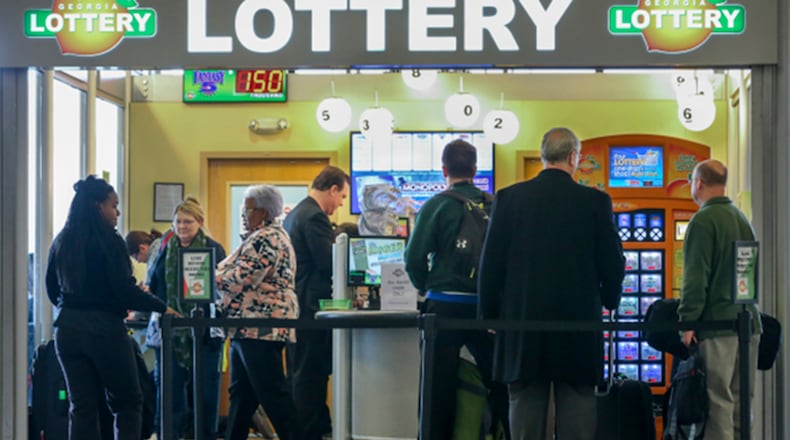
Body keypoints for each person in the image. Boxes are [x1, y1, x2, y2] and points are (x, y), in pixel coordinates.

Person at [477, 128, 625, 440]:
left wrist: (489, 314)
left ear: (544, 156)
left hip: (522, 326)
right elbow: (613, 262)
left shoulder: (509, 199)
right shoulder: (595, 202)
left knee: (525, 415)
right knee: (578, 415)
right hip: (579, 327)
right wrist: (610, 299)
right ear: (574, 157)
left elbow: (490, 264)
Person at [45, 175, 179, 440]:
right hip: (105, 330)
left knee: (81, 407)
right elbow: (124, 290)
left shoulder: (62, 240)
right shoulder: (109, 240)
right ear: (98, 206)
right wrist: (162, 307)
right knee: (127, 402)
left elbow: (51, 288)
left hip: (68, 331)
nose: (117, 213)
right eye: (114, 206)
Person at [404, 138, 509, 440]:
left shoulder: (436, 205)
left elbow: (413, 257)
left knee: (437, 387)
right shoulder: (495, 205)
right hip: (487, 308)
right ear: (476, 169)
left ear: (444, 170)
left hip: (444, 307)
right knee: (498, 380)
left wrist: (426, 287)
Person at [678, 159, 762, 440]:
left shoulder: (703, 220)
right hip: (748, 325)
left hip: (717, 327)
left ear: (698, 182)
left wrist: (688, 321)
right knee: (741, 403)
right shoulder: (741, 219)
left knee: (718, 403)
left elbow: (695, 277)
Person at [216, 185, 300, 440]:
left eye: (248, 208)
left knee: (273, 393)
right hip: (248, 326)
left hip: (261, 326)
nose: (243, 213)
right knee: (241, 395)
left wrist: (211, 276)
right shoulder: (266, 236)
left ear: (263, 212)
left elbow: (244, 277)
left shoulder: (266, 237)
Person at [148, 196, 227, 440]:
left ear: (199, 222)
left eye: (188, 222)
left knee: (206, 390)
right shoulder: (165, 249)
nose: (182, 227)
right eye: (178, 222)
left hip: (205, 330)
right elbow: (155, 283)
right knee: (170, 390)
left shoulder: (214, 249)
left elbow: (221, 289)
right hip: (171, 330)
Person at [283, 165, 350, 440]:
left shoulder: (297, 213)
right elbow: (328, 263)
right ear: (332, 189)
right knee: (310, 376)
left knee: (302, 374)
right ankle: (310, 432)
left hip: (298, 307)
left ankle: (316, 427)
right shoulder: (314, 217)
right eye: (342, 196)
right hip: (311, 309)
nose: (342, 203)